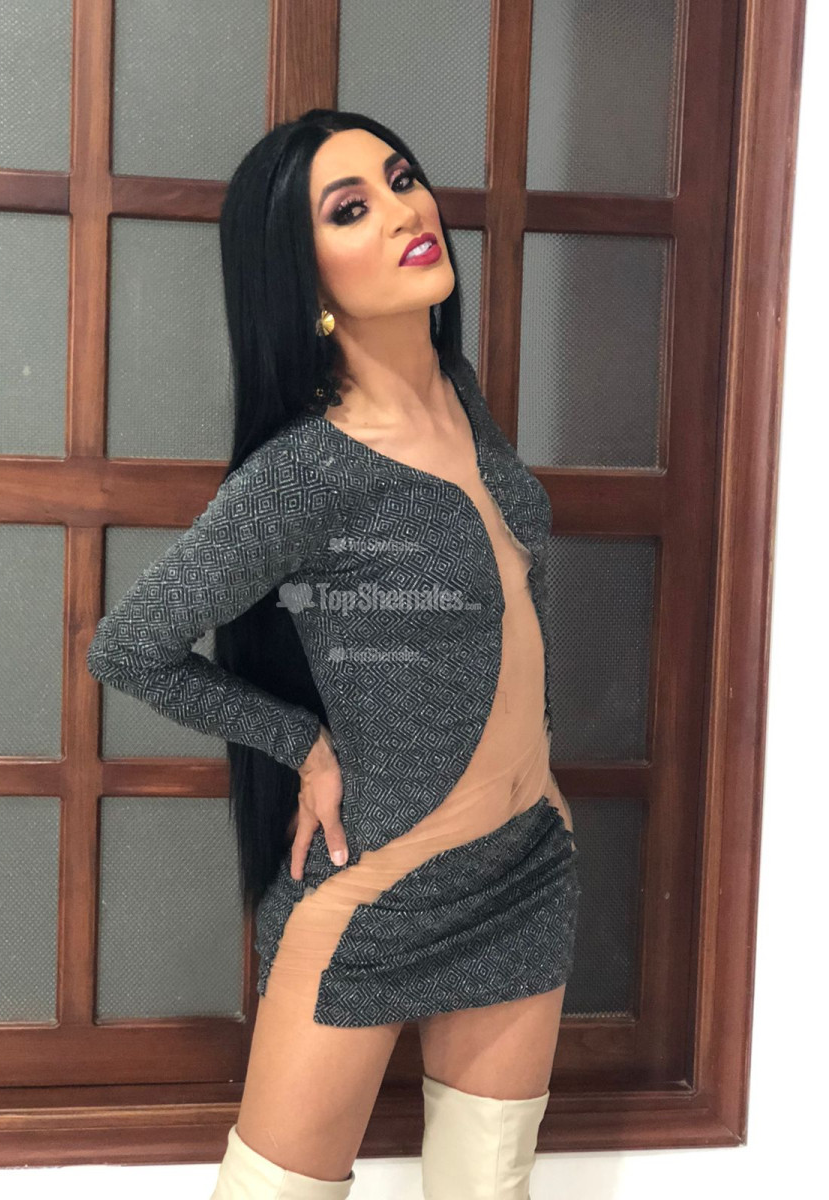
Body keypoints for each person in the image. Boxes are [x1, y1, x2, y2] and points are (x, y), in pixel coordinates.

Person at [86, 108, 581, 1199]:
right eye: (352, 209)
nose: (406, 210)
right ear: (302, 278)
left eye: (402, 179)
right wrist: (302, 742)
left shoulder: (462, 398)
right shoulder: (305, 474)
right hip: (380, 894)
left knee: (489, 1188)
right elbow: (129, 647)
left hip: (525, 863)